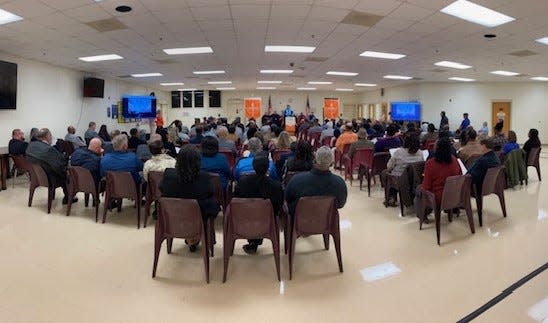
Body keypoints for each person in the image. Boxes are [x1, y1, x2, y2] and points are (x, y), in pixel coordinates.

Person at [159, 145, 220, 252]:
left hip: (173, 218)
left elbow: (161, 188)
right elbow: (210, 193)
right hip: (199, 219)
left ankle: (191, 238)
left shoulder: (168, 174)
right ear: (198, 161)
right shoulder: (204, 177)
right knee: (211, 204)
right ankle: (200, 237)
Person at [233, 152, 284, 254]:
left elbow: (235, 200)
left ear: (253, 166)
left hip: (244, 220)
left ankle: (253, 242)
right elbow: (278, 207)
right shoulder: (276, 186)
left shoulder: (242, 183)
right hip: (267, 222)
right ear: (268, 168)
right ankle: (255, 241)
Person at [285, 146, 347, 216]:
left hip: (300, 222)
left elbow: (287, 198)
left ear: (314, 160)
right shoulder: (339, 183)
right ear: (332, 163)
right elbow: (341, 204)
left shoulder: (296, 180)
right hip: (327, 222)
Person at [26, 128, 76, 204]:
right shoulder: (49, 149)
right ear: (47, 136)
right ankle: (68, 197)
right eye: (51, 135)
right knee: (66, 174)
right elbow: (59, 165)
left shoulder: (31, 145)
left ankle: (66, 195)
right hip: (49, 178)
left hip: (36, 177)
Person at [420, 137, 462, 219]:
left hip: (438, 198)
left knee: (418, 190)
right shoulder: (454, 160)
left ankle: (423, 214)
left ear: (437, 148)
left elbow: (426, 187)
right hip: (454, 194)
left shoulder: (430, 164)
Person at [383, 134, 424, 206]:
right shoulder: (420, 153)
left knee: (385, 173)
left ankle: (391, 197)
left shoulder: (398, 152)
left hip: (399, 179)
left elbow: (389, 166)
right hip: (414, 180)